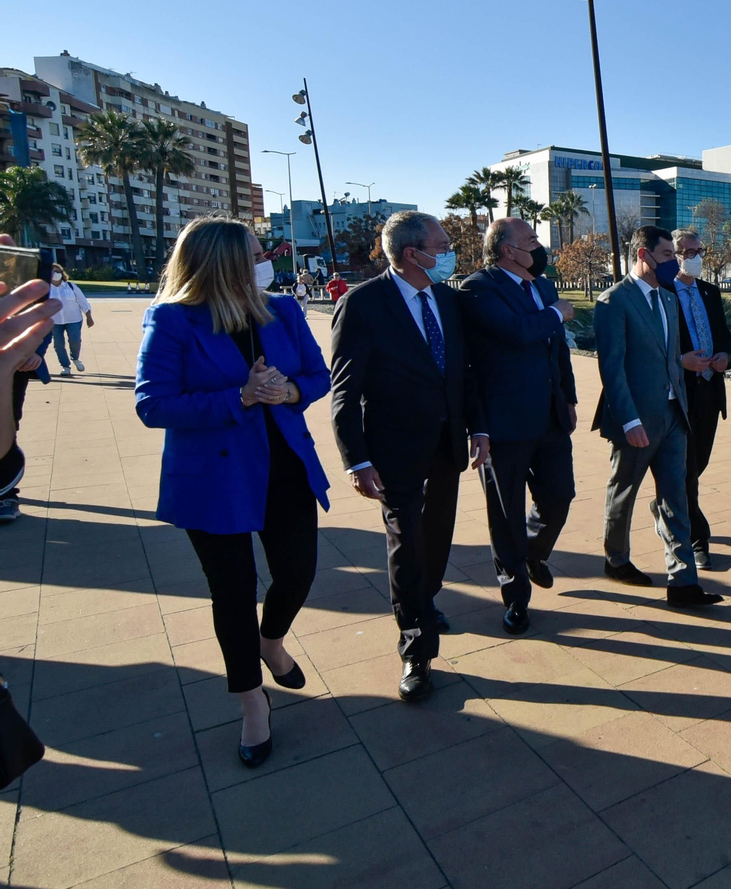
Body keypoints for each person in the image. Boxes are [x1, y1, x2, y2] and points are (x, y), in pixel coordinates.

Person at [133, 216, 332, 769]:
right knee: (233, 592)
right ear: (223, 261)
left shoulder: (284, 310)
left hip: (285, 466)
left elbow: (319, 375)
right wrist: (239, 397)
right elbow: (152, 404)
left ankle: (272, 642)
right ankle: (251, 701)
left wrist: (289, 389)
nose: (265, 257)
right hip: (214, 477)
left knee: (297, 572)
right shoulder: (171, 319)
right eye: (255, 251)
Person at [330, 211, 487, 702]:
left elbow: (464, 370)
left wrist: (478, 426)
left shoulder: (446, 298)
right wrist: (356, 459)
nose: (450, 250)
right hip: (393, 449)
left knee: (437, 535)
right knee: (406, 542)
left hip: (447, 444)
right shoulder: (363, 304)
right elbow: (344, 390)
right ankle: (416, 649)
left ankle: (426, 599)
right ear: (412, 253)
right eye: (442, 244)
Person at [592, 226, 722, 608]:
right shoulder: (613, 302)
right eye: (668, 255)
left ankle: (682, 583)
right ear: (643, 256)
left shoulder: (668, 300)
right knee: (623, 492)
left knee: (676, 497)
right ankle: (616, 559)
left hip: (673, 417)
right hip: (636, 420)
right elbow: (611, 369)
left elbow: (670, 361)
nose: (675, 262)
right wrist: (630, 422)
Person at [459, 219, 578, 634]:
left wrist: (569, 396)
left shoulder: (543, 286)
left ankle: (531, 553)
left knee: (560, 497)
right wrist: (555, 313)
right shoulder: (479, 287)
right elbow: (516, 332)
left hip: (550, 417)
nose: (539, 247)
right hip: (504, 423)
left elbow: (556, 350)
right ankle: (516, 597)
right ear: (508, 250)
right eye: (531, 240)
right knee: (505, 514)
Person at [670, 228, 731, 570]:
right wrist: (682, 361)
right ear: (672, 253)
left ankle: (668, 507)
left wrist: (725, 355)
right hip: (679, 394)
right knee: (686, 471)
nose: (693, 257)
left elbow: (724, 334)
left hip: (711, 390)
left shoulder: (710, 291)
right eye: (686, 251)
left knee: (698, 464)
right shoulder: (663, 291)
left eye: (698, 250)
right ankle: (697, 538)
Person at [0, 269, 59, 527]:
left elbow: (42, 320)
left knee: (11, 419)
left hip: (16, 365)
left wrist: (34, 351)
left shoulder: (22, 283)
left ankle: (5, 493)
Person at [48, 264, 93, 376]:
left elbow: (83, 302)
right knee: (58, 344)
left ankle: (76, 358)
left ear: (62, 273)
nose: (56, 274)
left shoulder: (71, 287)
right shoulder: (46, 289)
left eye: (58, 271)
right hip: (55, 321)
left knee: (75, 340)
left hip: (73, 319)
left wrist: (89, 317)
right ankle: (65, 366)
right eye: (53, 272)